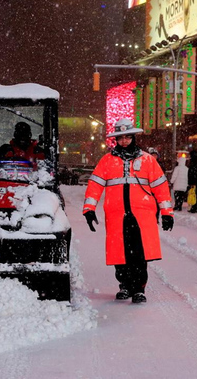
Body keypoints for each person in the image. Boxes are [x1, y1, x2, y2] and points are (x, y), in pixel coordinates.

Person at [82, 118, 174, 304]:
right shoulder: (107, 161)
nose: (124, 141)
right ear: (116, 140)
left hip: (142, 216)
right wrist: (89, 209)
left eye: (127, 137)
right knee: (120, 251)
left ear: (133, 137)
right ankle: (124, 285)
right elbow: (95, 185)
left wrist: (167, 213)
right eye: (120, 138)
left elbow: (161, 188)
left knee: (139, 253)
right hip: (116, 215)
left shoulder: (148, 160)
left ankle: (139, 288)